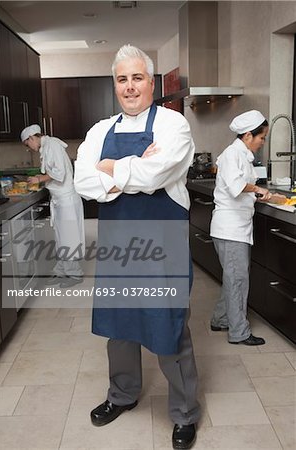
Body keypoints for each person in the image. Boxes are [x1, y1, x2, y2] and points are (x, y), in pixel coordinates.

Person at [74, 45, 200, 449]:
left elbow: (159, 172)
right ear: (116, 84)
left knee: (170, 327)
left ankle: (184, 413)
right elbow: (82, 183)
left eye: (137, 78)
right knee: (120, 327)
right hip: (117, 249)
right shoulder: (98, 131)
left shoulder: (173, 125)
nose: (129, 87)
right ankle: (122, 395)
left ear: (151, 81)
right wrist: (134, 168)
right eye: (122, 79)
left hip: (163, 246)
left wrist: (110, 169)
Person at [210, 110, 273, 345]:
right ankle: (239, 332)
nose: (263, 142)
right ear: (248, 135)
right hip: (230, 229)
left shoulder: (242, 155)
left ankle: (220, 319)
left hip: (236, 227)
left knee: (233, 278)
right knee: (237, 280)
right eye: (262, 137)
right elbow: (236, 186)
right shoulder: (232, 155)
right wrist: (257, 190)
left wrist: (259, 196)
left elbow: (240, 190)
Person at [21, 124, 85, 288]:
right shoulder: (47, 147)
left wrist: (40, 179)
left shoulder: (53, 145)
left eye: (28, 144)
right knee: (61, 238)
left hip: (66, 199)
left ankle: (75, 274)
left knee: (69, 238)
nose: (30, 148)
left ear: (32, 138)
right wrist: (41, 177)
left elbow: (60, 173)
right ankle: (62, 271)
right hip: (59, 199)